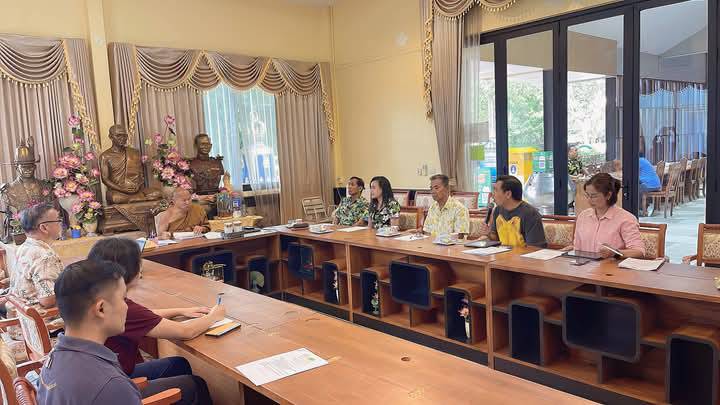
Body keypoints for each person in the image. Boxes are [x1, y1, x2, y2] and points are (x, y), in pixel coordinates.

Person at [89, 238, 220, 404]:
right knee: (196, 385)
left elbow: (141, 316)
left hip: (109, 376)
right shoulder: (118, 305)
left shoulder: (99, 298)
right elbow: (186, 332)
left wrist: (180, 311)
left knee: (178, 364)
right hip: (119, 387)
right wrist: (215, 316)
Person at [38, 259, 142, 404]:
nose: (126, 306)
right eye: (123, 299)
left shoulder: (53, 357)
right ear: (101, 309)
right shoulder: (110, 386)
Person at [7, 203, 65, 340]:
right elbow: (48, 300)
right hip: (38, 326)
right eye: (58, 220)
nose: (61, 224)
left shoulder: (24, 247)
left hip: (19, 321)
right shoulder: (44, 256)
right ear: (44, 227)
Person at [566, 173, 645, 258]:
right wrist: (567, 251)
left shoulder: (626, 219)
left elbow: (639, 252)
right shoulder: (583, 216)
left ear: (608, 195)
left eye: (594, 196)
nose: (589, 200)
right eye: (587, 195)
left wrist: (615, 253)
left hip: (610, 265)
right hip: (583, 264)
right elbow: (577, 247)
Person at [475, 175, 547, 248]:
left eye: (496, 190)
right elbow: (496, 238)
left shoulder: (530, 214)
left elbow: (535, 248)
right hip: (502, 254)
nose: (492, 194)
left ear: (508, 194)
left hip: (523, 255)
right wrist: (488, 234)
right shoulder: (497, 210)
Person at [99, 124, 162, 204]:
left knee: (158, 192)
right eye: (118, 136)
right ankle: (140, 198)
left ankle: (134, 199)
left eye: (124, 136)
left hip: (135, 190)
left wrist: (137, 186)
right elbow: (105, 179)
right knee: (114, 198)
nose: (122, 138)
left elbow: (140, 175)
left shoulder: (134, 153)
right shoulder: (105, 156)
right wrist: (122, 189)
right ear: (110, 137)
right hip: (118, 191)